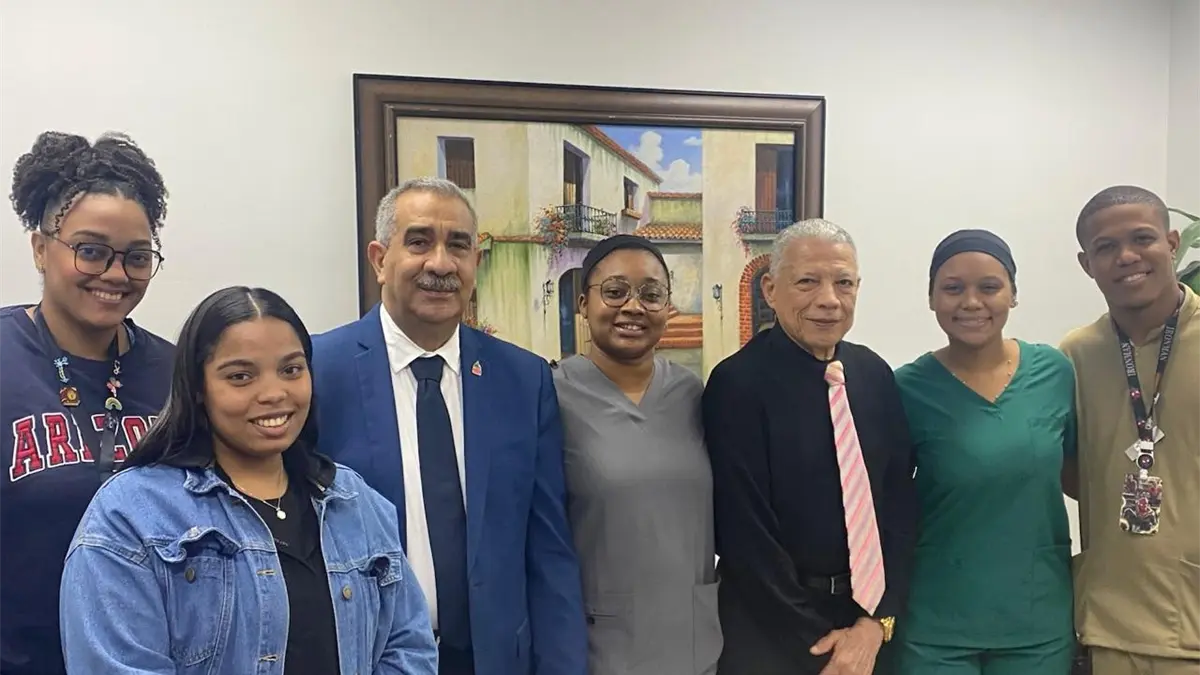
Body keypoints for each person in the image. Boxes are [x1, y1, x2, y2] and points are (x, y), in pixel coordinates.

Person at [59, 286, 439, 674]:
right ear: (198, 388)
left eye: (291, 370)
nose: (274, 393)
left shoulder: (353, 500)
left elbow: (408, 647)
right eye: (241, 376)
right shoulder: (131, 516)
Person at [311, 177, 588, 675]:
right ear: (379, 259)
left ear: (475, 263)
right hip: (368, 659)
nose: (440, 264)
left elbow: (548, 549)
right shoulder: (315, 372)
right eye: (419, 242)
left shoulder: (523, 380)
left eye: (458, 246)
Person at [702, 218, 918, 675]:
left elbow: (898, 502)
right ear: (770, 289)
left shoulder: (874, 375)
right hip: (771, 635)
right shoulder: (737, 384)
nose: (829, 300)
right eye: (807, 282)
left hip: (866, 627)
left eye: (844, 283)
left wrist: (875, 624)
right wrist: (822, 646)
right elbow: (745, 536)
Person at [0, 131, 175, 675]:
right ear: (39, 248)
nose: (116, 275)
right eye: (91, 251)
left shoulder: (178, 375)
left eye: (137, 257)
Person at [890, 229, 1076, 674]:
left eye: (989, 287)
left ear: (1013, 294)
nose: (971, 302)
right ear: (931, 298)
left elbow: (1081, 476)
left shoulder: (1054, 373)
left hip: (1037, 622)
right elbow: (885, 504)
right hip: (935, 626)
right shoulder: (904, 389)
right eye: (953, 288)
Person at [551, 235, 723, 675]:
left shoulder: (692, 394)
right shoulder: (552, 396)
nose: (633, 306)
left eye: (651, 294)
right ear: (583, 303)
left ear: (667, 306)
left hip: (694, 641)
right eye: (614, 291)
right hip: (602, 649)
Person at [1060, 185, 1200, 675]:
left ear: (1173, 243)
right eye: (1106, 247)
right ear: (1087, 264)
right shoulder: (1075, 356)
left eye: (1142, 239)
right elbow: (1068, 468)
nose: (1126, 257)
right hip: (1108, 629)